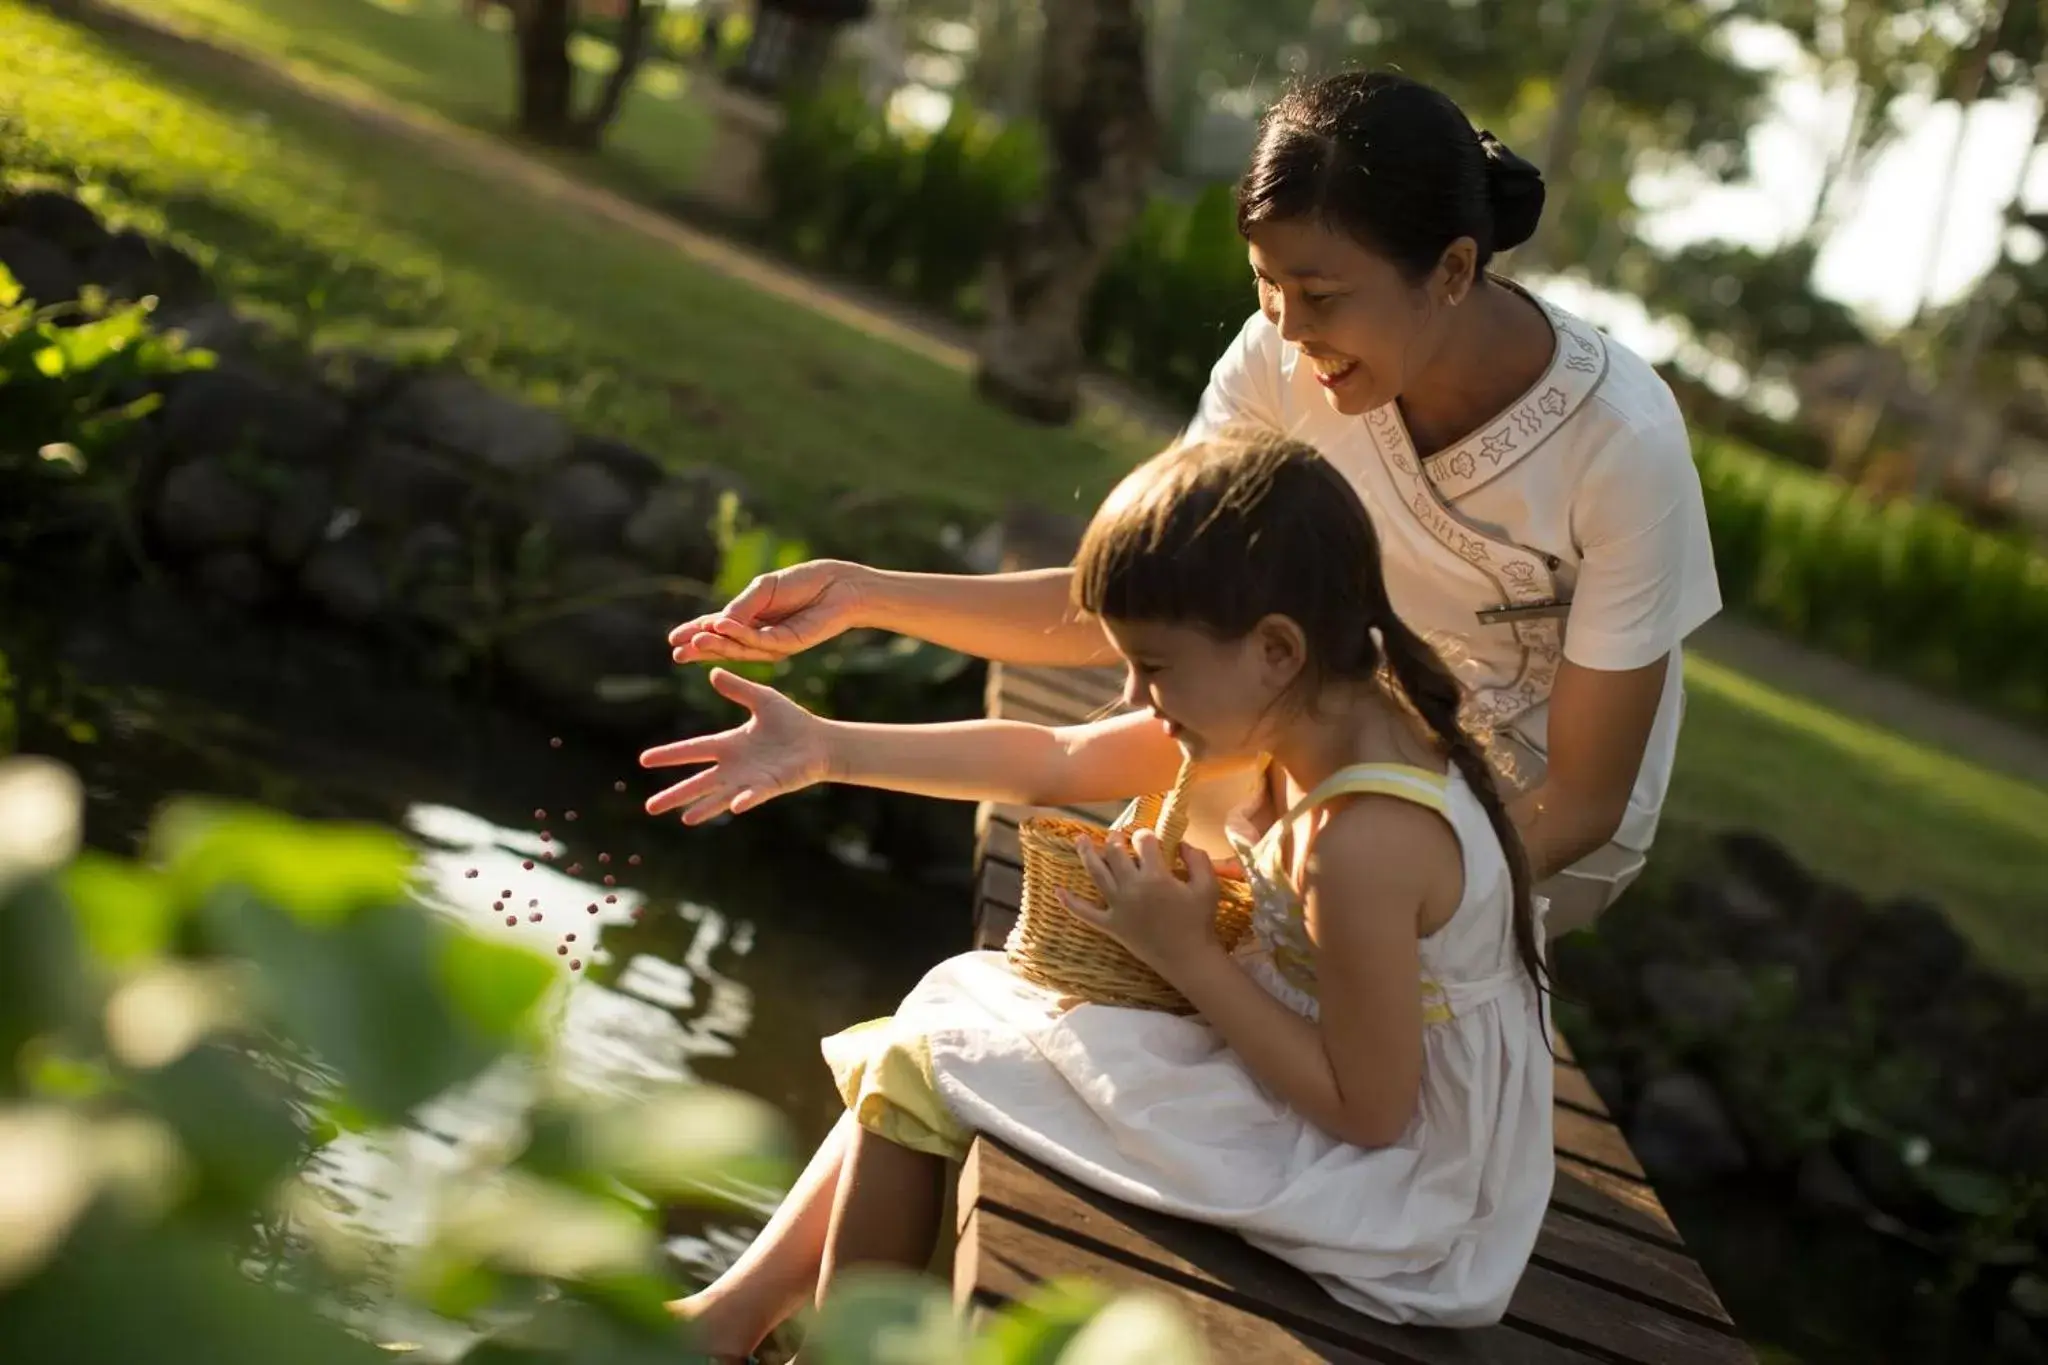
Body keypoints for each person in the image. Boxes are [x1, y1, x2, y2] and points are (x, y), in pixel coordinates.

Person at [667, 69, 1722, 935]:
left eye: (1319, 293)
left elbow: (1583, 796)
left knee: (1231, 953)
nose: (1285, 323)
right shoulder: (1278, 359)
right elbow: (1132, 605)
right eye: (1266, 283)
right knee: (1130, 916)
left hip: (1521, 819)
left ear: (1450, 270)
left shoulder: (1621, 441)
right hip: (1323, 729)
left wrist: (1378, 894)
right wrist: (860, 595)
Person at [643, 431, 1555, 1359]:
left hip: (1395, 1197)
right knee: (951, 1014)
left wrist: (1187, 951)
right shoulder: (1303, 705)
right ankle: (739, 1318)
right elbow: (1055, 759)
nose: (1133, 694)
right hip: (1323, 1089)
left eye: (1152, 667)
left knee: (936, 1056)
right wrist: (828, 748)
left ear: (1276, 646)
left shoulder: (1363, 839)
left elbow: (1371, 1109)